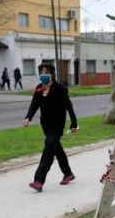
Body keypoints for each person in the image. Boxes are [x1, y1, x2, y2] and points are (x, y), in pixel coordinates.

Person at [22, 63, 77, 192]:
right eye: (41, 72)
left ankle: (39, 180)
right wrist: (28, 117)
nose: (43, 74)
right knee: (55, 147)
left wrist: (74, 123)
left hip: (57, 125)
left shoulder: (60, 89)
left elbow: (69, 106)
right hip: (45, 125)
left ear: (52, 74)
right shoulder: (40, 88)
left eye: (46, 72)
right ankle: (68, 173)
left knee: (49, 149)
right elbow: (34, 104)